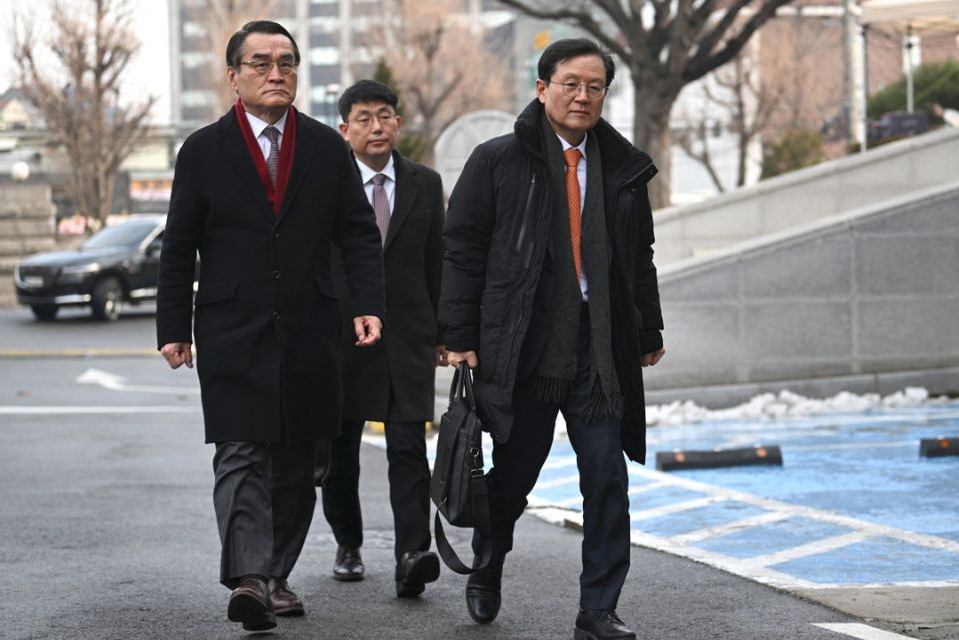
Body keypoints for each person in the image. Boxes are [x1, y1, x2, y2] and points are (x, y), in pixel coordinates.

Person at [156, 21, 384, 633]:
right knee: (240, 450)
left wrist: (368, 302)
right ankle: (250, 578)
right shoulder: (203, 149)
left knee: (299, 457)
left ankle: (275, 576)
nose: (275, 73)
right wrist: (173, 324)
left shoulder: (324, 147)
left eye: (286, 62)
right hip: (232, 325)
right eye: (260, 63)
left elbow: (358, 234)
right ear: (234, 76)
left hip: (312, 323)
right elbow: (179, 246)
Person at [439, 38, 666, 640]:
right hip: (524, 346)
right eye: (570, 83)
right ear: (542, 90)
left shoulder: (623, 167)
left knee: (606, 479)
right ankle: (488, 564)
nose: (582, 96)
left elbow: (637, 256)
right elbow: (462, 249)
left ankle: (598, 609)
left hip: (600, 347)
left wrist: (648, 326)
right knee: (513, 478)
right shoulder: (496, 161)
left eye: (595, 86)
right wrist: (458, 334)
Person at [320, 79, 447, 597]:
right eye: (364, 118)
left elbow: (437, 262)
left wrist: (445, 331)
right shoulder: (326, 185)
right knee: (340, 453)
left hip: (408, 338)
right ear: (344, 129)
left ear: (397, 124)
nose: (377, 127)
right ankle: (348, 543)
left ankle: (411, 554)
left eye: (385, 116)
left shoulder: (425, 183)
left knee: (408, 449)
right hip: (342, 337)